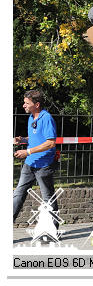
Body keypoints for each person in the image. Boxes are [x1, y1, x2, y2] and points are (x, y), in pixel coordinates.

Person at [13, 90, 59, 225]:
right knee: (18, 195)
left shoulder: (46, 118)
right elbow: (36, 138)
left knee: (47, 199)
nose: (23, 105)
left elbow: (50, 143)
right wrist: (23, 139)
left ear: (37, 104)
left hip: (44, 165)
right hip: (30, 164)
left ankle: (53, 231)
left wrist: (27, 152)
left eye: (27, 103)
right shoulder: (31, 117)